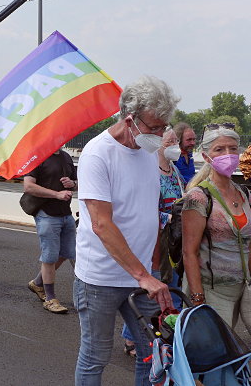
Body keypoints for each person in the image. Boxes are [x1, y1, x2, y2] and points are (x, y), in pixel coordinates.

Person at [74, 76, 178, 386]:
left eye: (164, 127)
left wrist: (154, 269)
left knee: (154, 352)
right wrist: (143, 276)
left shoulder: (147, 152)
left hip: (143, 276)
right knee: (95, 356)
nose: (160, 135)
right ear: (129, 119)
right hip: (100, 279)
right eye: (155, 127)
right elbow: (101, 224)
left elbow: (150, 214)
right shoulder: (97, 154)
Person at [122, 128, 185, 357]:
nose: (175, 145)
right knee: (152, 291)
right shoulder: (151, 171)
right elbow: (143, 206)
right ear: (160, 144)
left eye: (176, 140)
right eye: (171, 141)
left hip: (174, 239)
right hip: (155, 240)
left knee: (172, 286)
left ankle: (167, 333)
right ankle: (131, 338)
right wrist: (167, 217)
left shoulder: (175, 171)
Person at [182, 124, 251, 331]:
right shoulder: (198, 197)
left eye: (232, 148)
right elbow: (189, 252)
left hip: (245, 286)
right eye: (219, 149)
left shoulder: (244, 194)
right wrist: (197, 299)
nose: (228, 154)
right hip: (214, 290)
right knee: (218, 352)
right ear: (206, 156)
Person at [23, 148, 77, 314]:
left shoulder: (66, 157)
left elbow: (77, 183)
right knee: (50, 257)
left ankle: (38, 283)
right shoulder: (36, 156)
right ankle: (50, 298)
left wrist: (72, 184)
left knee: (70, 253)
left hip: (65, 214)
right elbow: (28, 187)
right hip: (46, 214)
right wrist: (56, 194)